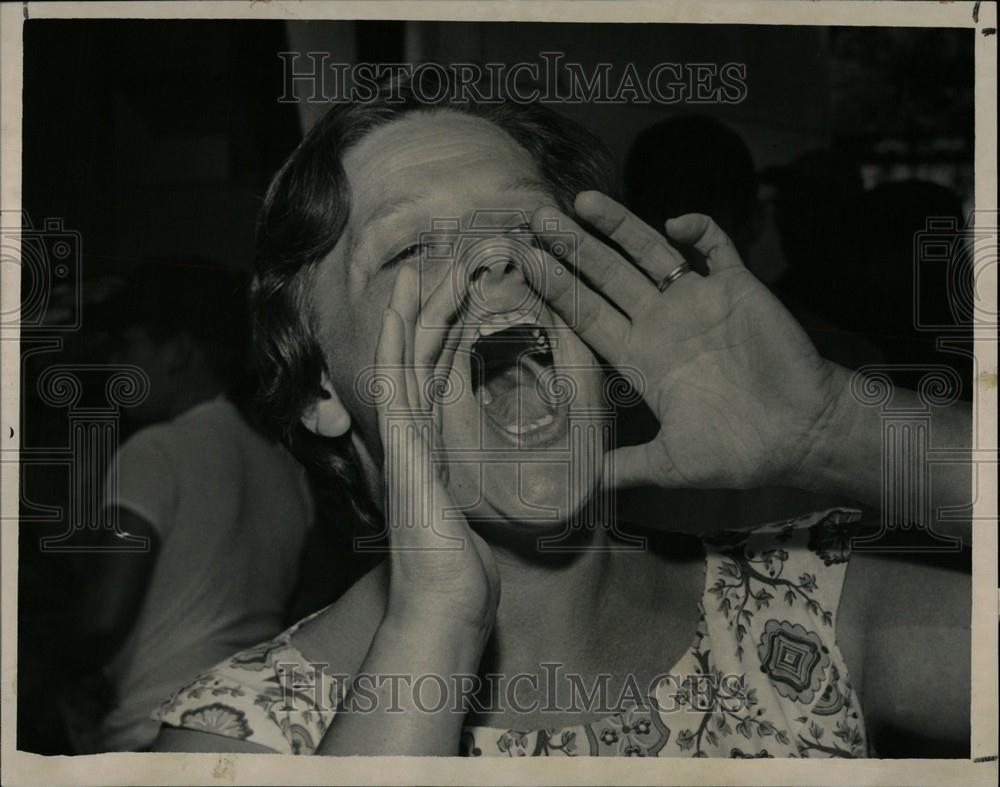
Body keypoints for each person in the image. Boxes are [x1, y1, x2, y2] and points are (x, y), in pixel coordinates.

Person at [151, 76, 971, 758]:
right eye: (409, 249)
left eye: (525, 227)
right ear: (319, 391)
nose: (494, 256)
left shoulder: (808, 615)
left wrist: (832, 428)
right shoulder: (239, 735)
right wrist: (436, 620)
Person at [68, 263, 315, 752]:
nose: (116, 368)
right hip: (256, 731)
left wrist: (47, 658)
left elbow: (103, 616)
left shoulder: (154, 450)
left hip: (158, 730)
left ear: (178, 350)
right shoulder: (287, 470)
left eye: (127, 347)